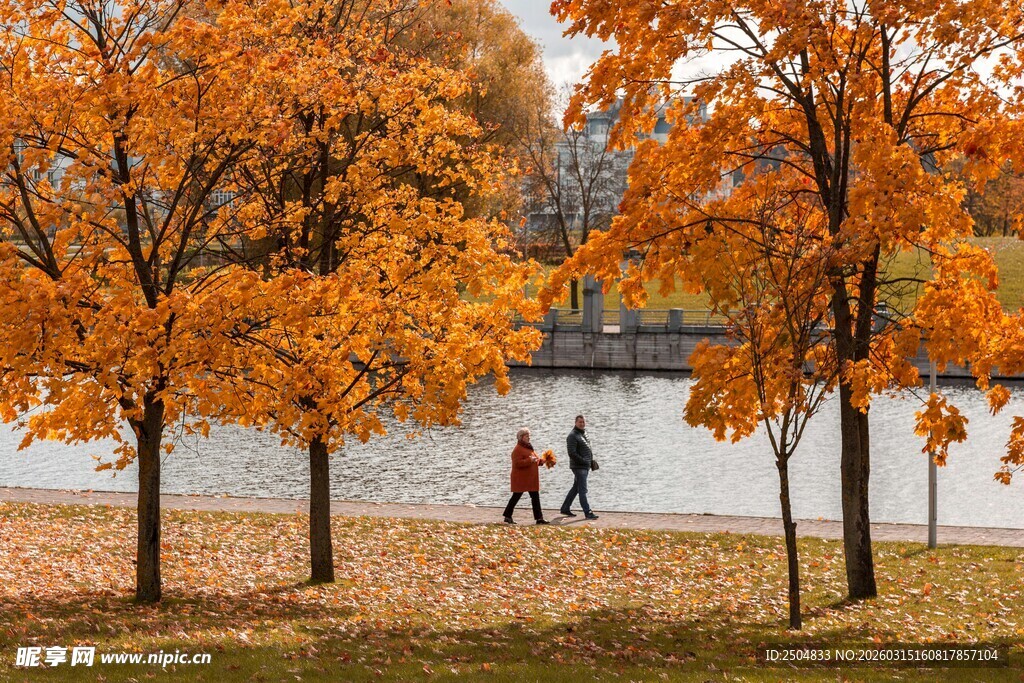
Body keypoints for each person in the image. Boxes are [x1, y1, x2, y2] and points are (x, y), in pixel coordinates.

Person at [503, 427, 549, 525]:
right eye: (526, 436)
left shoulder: (529, 448)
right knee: (516, 496)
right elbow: (517, 463)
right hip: (521, 478)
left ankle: (539, 518)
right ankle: (507, 515)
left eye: (529, 436)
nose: (529, 438)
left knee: (535, 497)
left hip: (530, 479)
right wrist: (529, 461)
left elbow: (535, 460)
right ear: (521, 437)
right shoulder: (517, 449)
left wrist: (541, 461)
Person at [561, 414, 599, 519]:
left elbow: (586, 449)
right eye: (580, 422)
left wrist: (590, 461)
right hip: (579, 467)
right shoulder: (572, 436)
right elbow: (571, 453)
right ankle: (588, 512)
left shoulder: (583, 433)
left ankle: (565, 507)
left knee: (576, 488)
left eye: (583, 422)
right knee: (583, 490)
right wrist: (584, 462)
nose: (582, 424)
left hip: (585, 466)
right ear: (575, 423)